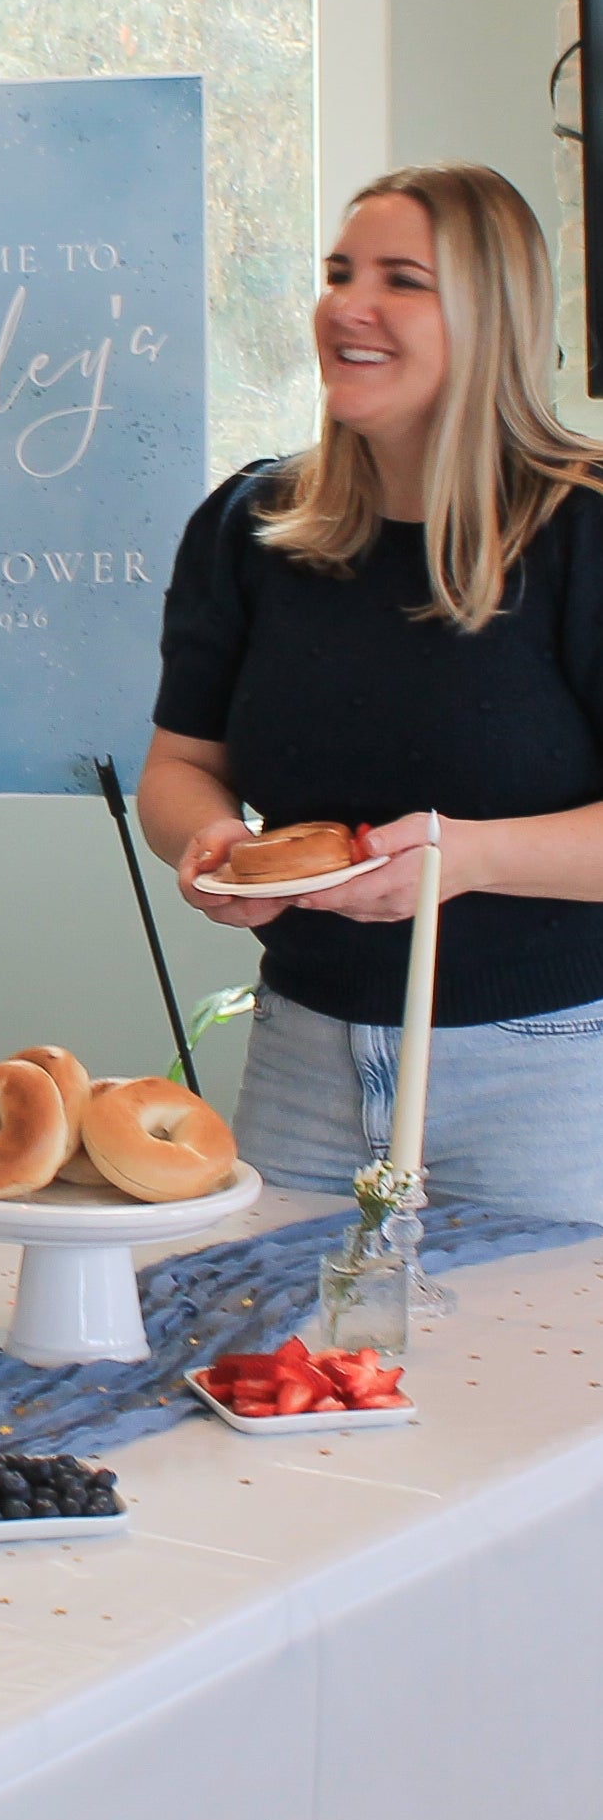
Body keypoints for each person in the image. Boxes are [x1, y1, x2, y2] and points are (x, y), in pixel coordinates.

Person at [139, 161, 603, 1218]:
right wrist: (205, 843)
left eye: (401, 278)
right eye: (339, 271)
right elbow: (180, 767)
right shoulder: (248, 528)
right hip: (304, 1056)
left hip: (551, 1077)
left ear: (492, 319)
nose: (348, 304)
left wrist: (464, 859)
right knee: (286, 1376)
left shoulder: (583, 533)